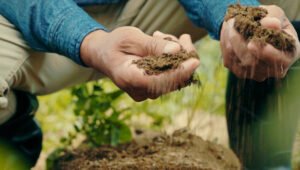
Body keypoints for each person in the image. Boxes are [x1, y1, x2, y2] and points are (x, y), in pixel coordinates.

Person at [0, 0, 299, 169]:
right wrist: (92, 42)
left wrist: (233, 16)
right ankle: (15, 120)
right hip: (27, 17)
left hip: (139, 5)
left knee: (269, 14)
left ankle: (266, 163)